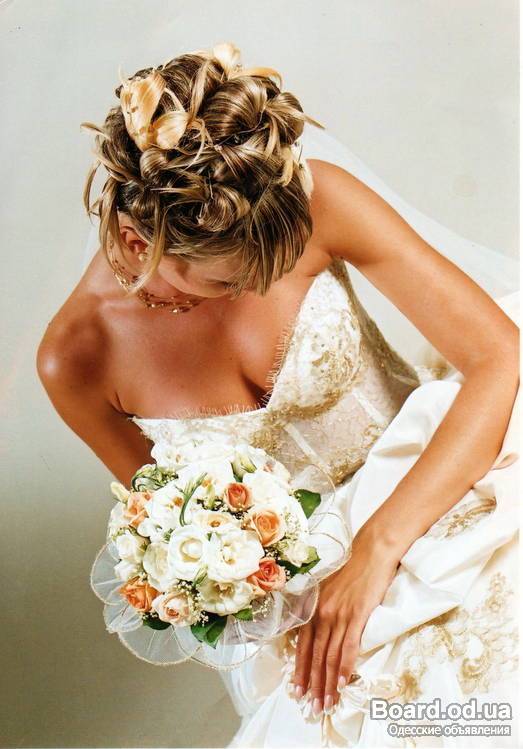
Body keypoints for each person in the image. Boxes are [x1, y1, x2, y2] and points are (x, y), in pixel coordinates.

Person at [37, 42, 520, 747]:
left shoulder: (315, 201)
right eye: (229, 280)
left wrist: (379, 546)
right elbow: (180, 535)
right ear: (137, 242)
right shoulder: (75, 361)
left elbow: (499, 355)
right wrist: (239, 580)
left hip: (450, 481)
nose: (257, 288)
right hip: (314, 600)